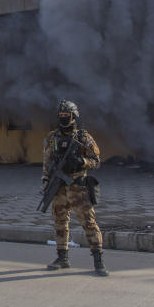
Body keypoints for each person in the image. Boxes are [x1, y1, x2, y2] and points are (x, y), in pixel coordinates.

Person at [41, 99, 109, 276]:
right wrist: (46, 180)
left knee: (88, 223)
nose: (64, 118)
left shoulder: (83, 138)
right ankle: (62, 258)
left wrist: (82, 162)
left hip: (78, 186)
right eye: (61, 115)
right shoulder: (53, 138)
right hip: (59, 187)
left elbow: (96, 160)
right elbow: (47, 162)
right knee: (60, 222)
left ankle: (98, 261)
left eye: (67, 115)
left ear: (74, 116)